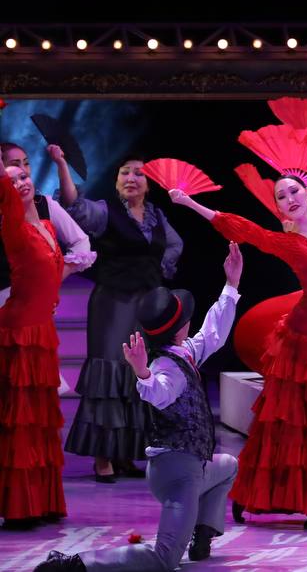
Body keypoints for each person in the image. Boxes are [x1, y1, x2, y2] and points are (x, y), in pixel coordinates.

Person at [169, 176, 307, 529]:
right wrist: (190, 204)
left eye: (294, 191)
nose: (290, 198)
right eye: (281, 196)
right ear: (278, 207)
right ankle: (251, 496)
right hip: (299, 342)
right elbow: (247, 230)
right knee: (286, 424)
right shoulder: (290, 243)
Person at [36, 244, 243, 571]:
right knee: (164, 559)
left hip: (191, 465)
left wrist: (231, 284)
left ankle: (202, 532)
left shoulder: (184, 352)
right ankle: (75, 564)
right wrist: (143, 373)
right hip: (177, 475)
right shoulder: (166, 367)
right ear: (180, 327)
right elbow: (158, 393)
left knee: (228, 464)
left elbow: (212, 333)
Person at [55, 149, 183, 483]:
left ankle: (125, 452)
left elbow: (175, 245)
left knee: (136, 374)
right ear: (116, 181)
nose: (131, 178)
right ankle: (103, 456)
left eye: (139, 173)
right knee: (110, 372)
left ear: (148, 184)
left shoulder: (156, 217)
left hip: (145, 306)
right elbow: (73, 205)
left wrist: (157, 269)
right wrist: (61, 164)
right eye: (125, 172)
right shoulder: (104, 212)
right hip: (112, 304)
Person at [0, 165, 88, 530]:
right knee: (21, 423)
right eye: (10, 181)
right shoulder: (13, 230)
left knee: (40, 422)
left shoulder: (48, 226)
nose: (19, 183)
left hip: (41, 333)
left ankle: (44, 502)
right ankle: (19, 507)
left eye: (23, 177)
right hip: (18, 334)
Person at [0, 143, 93, 308]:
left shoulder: (44, 206)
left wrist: (53, 279)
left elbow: (81, 242)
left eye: (26, 163)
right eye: (15, 164)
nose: (23, 170)